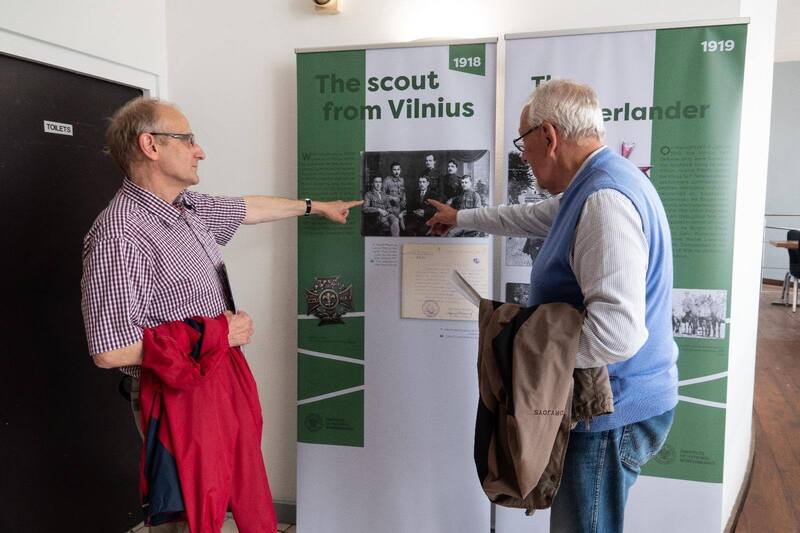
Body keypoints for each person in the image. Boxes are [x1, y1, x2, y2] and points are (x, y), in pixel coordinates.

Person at [80, 96, 361, 532]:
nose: (200, 151)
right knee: (187, 514)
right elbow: (110, 349)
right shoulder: (120, 233)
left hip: (214, 384)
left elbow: (248, 209)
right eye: (187, 139)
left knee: (225, 492)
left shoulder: (187, 208)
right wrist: (216, 334)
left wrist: (315, 206)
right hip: (174, 400)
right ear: (150, 145)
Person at [427, 79, 678, 533]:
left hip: (609, 411)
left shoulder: (604, 201)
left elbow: (617, 335)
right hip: (607, 403)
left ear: (549, 135)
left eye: (523, 142)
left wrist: (525, 354)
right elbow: (527, 216)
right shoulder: (597, 182)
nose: (523, 156)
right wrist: (459, 217)